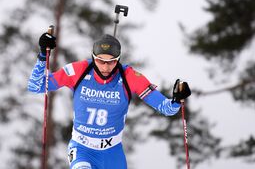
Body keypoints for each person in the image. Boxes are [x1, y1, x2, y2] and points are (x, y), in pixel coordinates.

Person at [28, 32, 191, 169]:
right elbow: (36, 86)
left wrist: (177, 100)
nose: (105, 67)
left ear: (118, 59)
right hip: (82, 148)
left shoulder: (130, 77)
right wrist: (43, 55)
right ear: (93, 57)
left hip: (112, 153)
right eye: (100, 61)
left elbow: (166, 109)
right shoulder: (78, 71)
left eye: (111, 62)